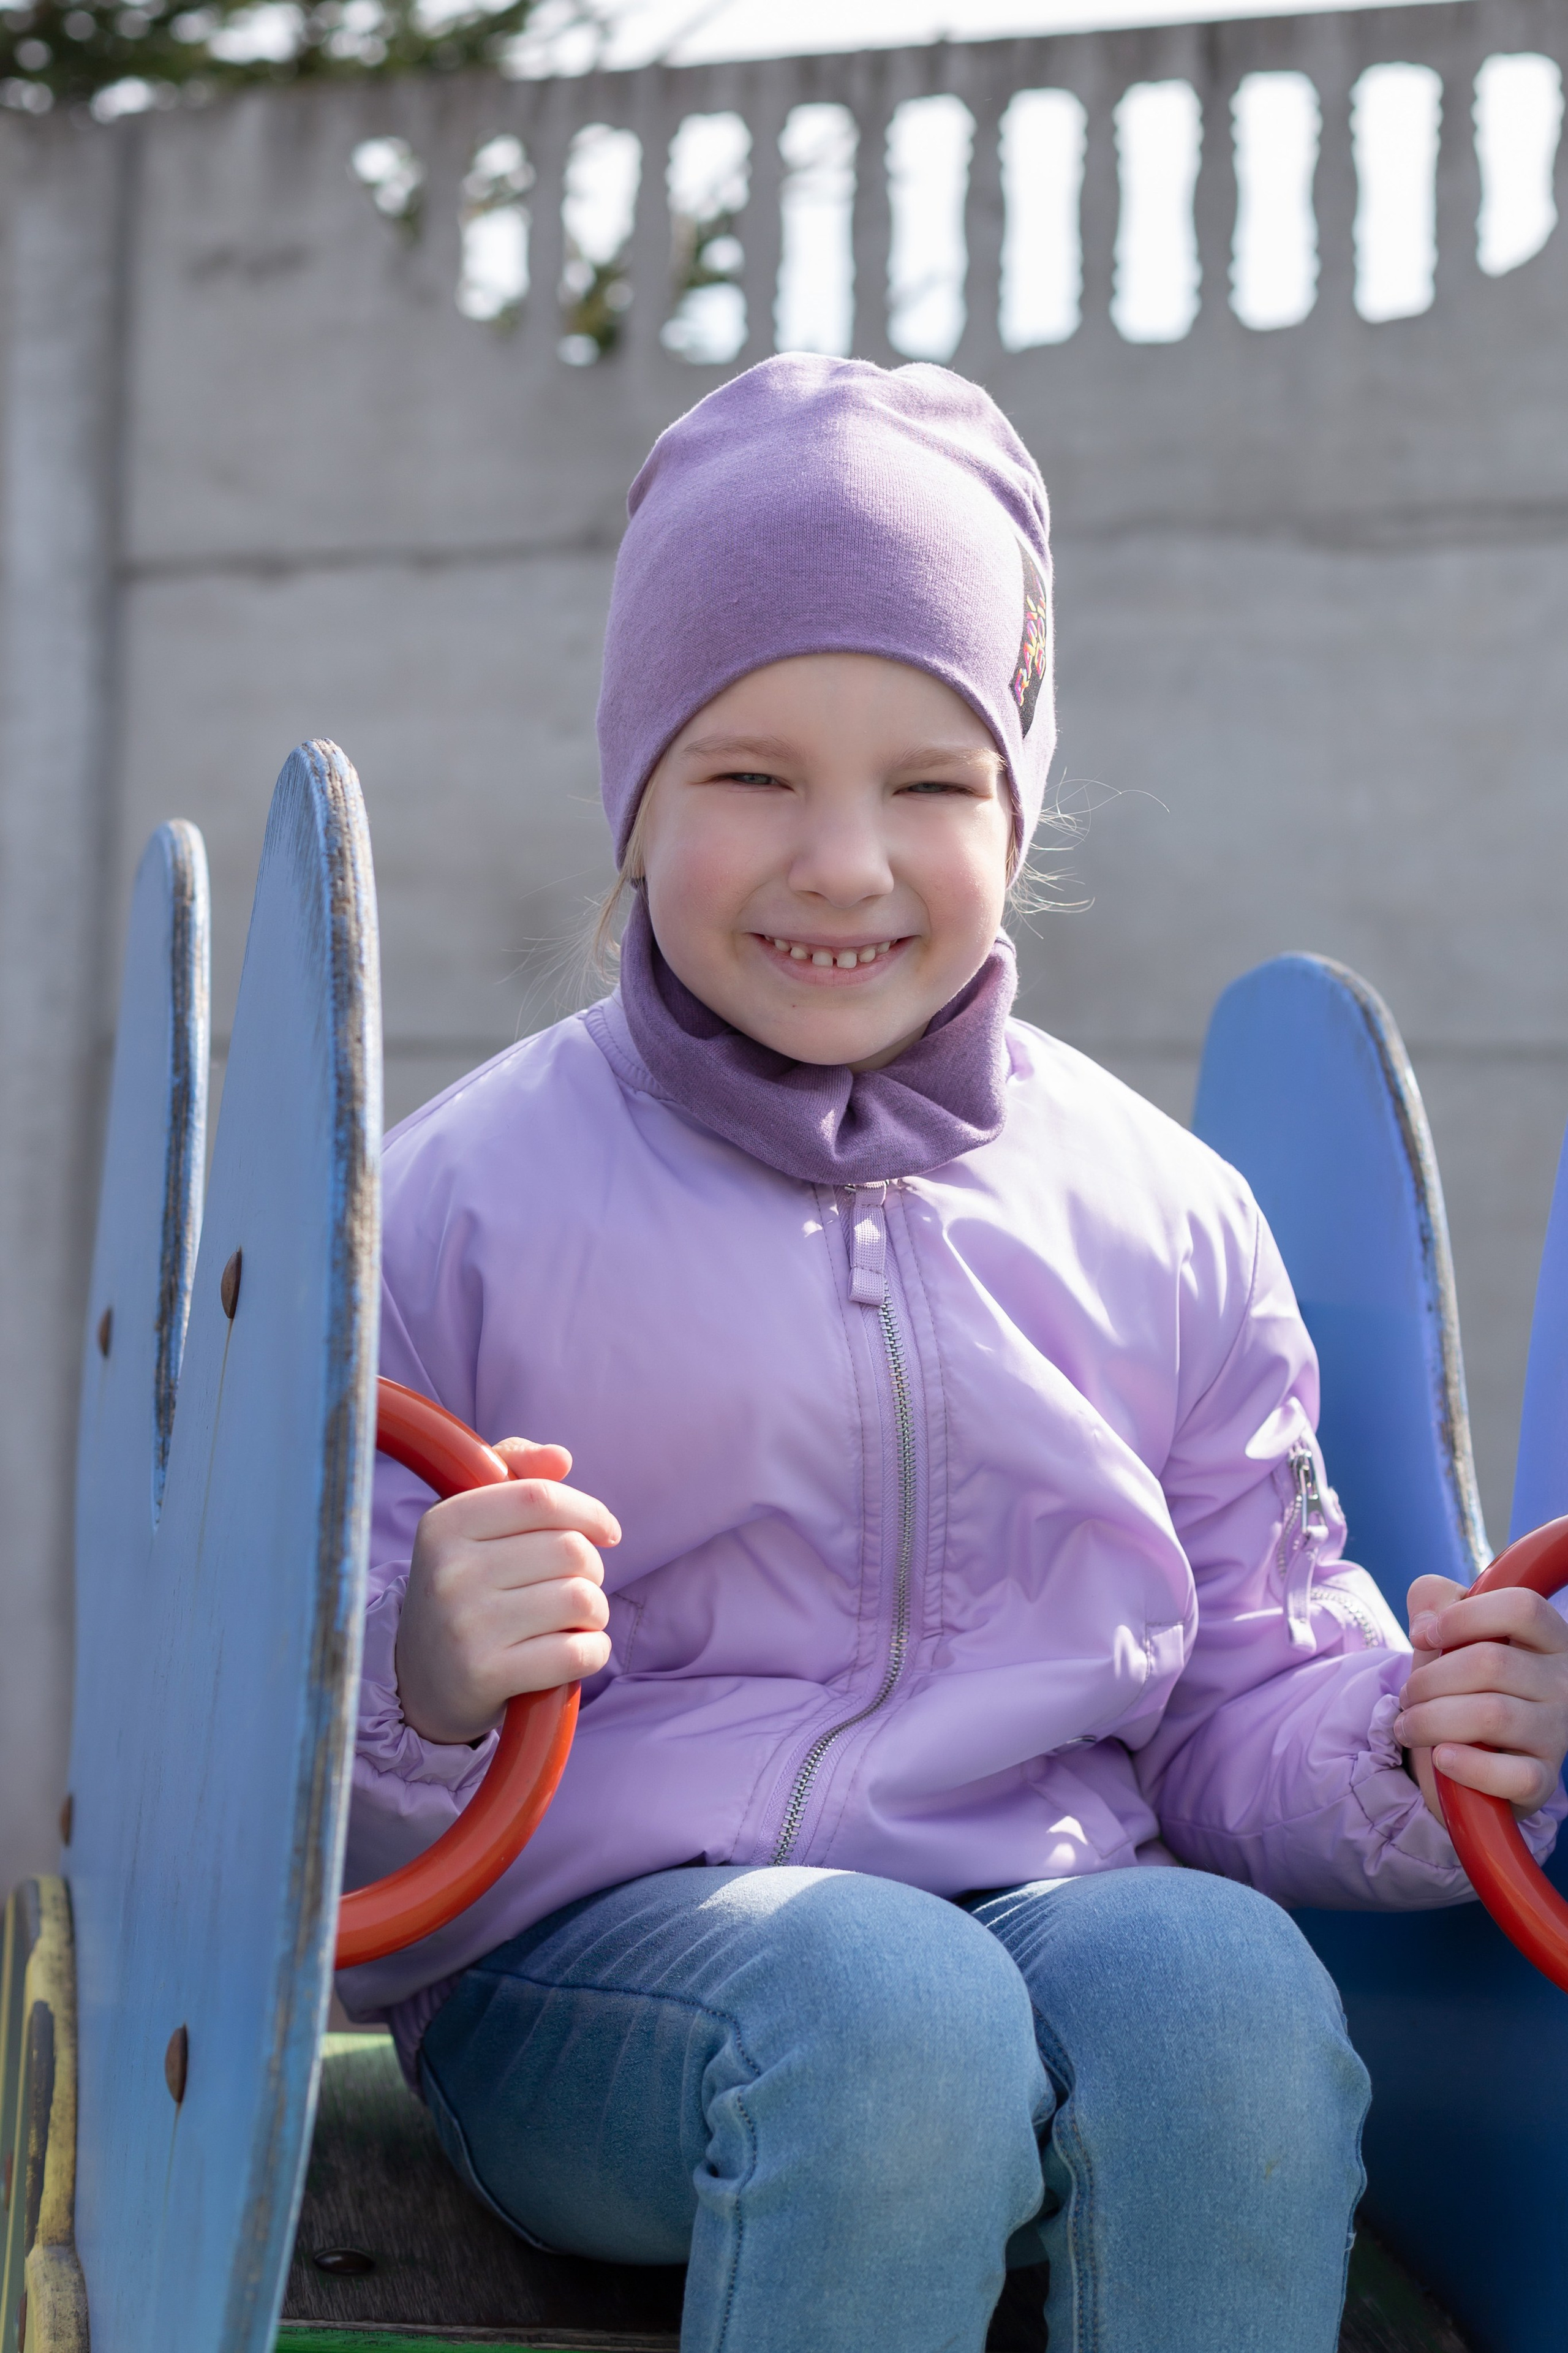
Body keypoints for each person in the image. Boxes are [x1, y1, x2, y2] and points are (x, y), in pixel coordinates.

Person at [339, 357, 1568, 2353]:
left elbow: (1243, 1686)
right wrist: (426, 1684)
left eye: (931, 780)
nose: (845, 860)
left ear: (1017, 802)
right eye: (749, 775)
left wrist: (1419, 1750)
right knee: (888, 2012)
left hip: (1043, 1906)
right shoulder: (457, 1204)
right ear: (635, 790)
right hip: (595, 1972)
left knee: (1229, 1990)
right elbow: (307, 1781)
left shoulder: (1159, 1215)